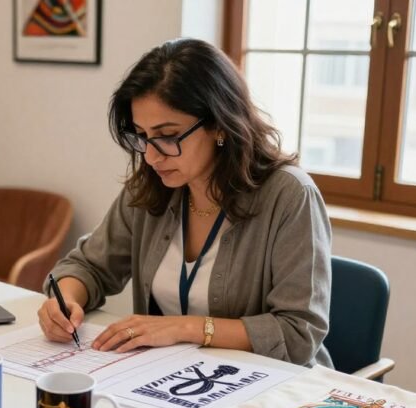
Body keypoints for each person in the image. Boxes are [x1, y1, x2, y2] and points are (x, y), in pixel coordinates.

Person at [38, 38, 332, 367]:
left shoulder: (290, 196)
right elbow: (88, 266)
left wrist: (184, 328)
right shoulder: (153, 187)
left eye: (168, 135)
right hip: (169, 379)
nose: (150, 155)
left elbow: (297, 335)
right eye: (142, 135)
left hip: (268, 387)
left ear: (220, 124)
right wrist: (64, 301)